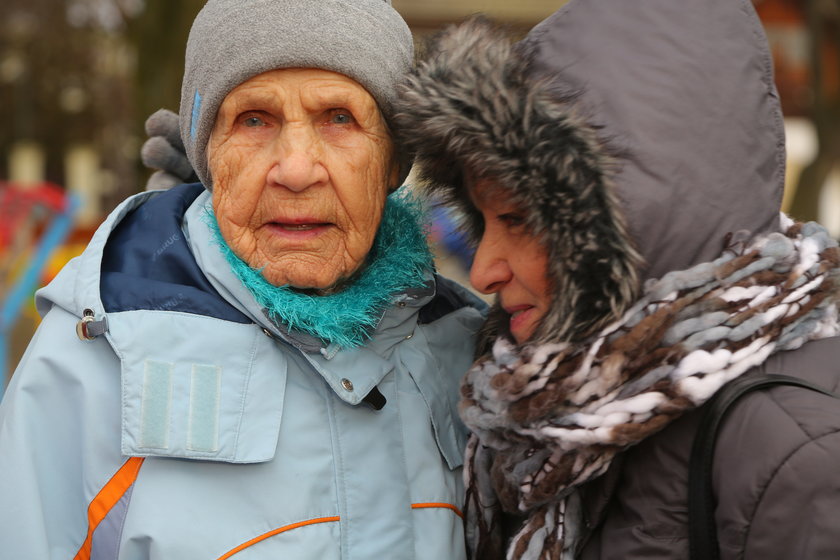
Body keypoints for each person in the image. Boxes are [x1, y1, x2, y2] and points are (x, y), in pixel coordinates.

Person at [0, 1, 486, 557]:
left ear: (394, 160)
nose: (297, 170)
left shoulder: (469, 345)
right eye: (254, 120)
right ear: (207, 152)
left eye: (340, 118)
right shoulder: (97, 351)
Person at [393, 1, 840, 558]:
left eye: (517, 219)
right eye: (482, 221)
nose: (484, 271)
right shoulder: (552, 410)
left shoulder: (799, 451)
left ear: (638, 220)